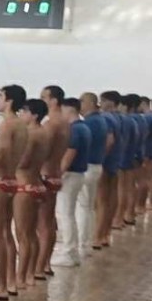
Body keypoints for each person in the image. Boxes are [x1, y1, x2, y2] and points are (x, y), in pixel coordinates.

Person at [0, 84, 27, 301]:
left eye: (0, 97)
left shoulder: (7, 125)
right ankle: (10, 281)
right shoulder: (21, 125)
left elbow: (0, 157)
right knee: (6, 233)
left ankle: (0, 285)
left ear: (9, 101)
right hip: (12, 180)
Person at [51, 98, 91, 267]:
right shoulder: (84, 127)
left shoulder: (74, 130)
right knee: (70, 214)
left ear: (69, 110)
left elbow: (69, 155)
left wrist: (57, 175)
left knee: (65, 214)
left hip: (71, 175)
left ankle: (68, 251)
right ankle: (72, 251)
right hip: (79, 174)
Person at [14, 98, 50, 288]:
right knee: (31, 233)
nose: (21, 114)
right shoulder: (44, 133)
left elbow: (23, 162)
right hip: (37, 184)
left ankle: (21, 277)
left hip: (24, 186)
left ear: (34, 115)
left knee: (23, 235)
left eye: (24, 111)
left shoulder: (30, 134)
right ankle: (31, 273)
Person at [35, 85, 70, 277]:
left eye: (44, 97)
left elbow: (43, 151)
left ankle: (39, 266)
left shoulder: (51, 124)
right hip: (55, 174)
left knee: (42, 223)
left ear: (54, 100)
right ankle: (46, 263)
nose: (41, 100)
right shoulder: (65, 123)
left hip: (46, 175)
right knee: (49, 221)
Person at [77, 92, 108, 258]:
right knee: (88, 207)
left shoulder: (90, 123)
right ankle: (87, 242)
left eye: (82, 101)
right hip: (96, 165)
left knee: (82, 207)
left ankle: (81, 244)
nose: (79, 105)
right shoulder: (100, 120)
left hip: (88, 166)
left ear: (89, 103)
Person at [97, 91, 123, 247]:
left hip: (106, 162)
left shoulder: (106, 118)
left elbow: (109, 140)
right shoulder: (120, 118)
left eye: (102, 101)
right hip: (116, 159)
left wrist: (100, 158)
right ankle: (106, 233)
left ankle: (98, 236)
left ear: (110, 102)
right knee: (112, 196)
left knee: (101, 200)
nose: (100, 104)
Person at [117, 94, 141, 227]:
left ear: (125, 106)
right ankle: (129, 213)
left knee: (121, 188)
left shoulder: (126, 120)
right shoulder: (139, 120)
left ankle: (118, 218)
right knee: (130, 186)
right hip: (133, 155)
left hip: (124, 156)